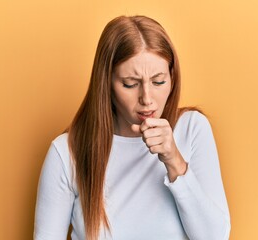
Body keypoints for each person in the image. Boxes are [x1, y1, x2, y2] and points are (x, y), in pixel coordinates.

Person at [34, 15, 231, 240]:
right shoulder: (67, 153)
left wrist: (174, 161)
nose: (147, 99)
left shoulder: (192, 129)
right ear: (106, 83)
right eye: (130, 84)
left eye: (158, 82)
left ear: (172, 77)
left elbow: (216, 237)